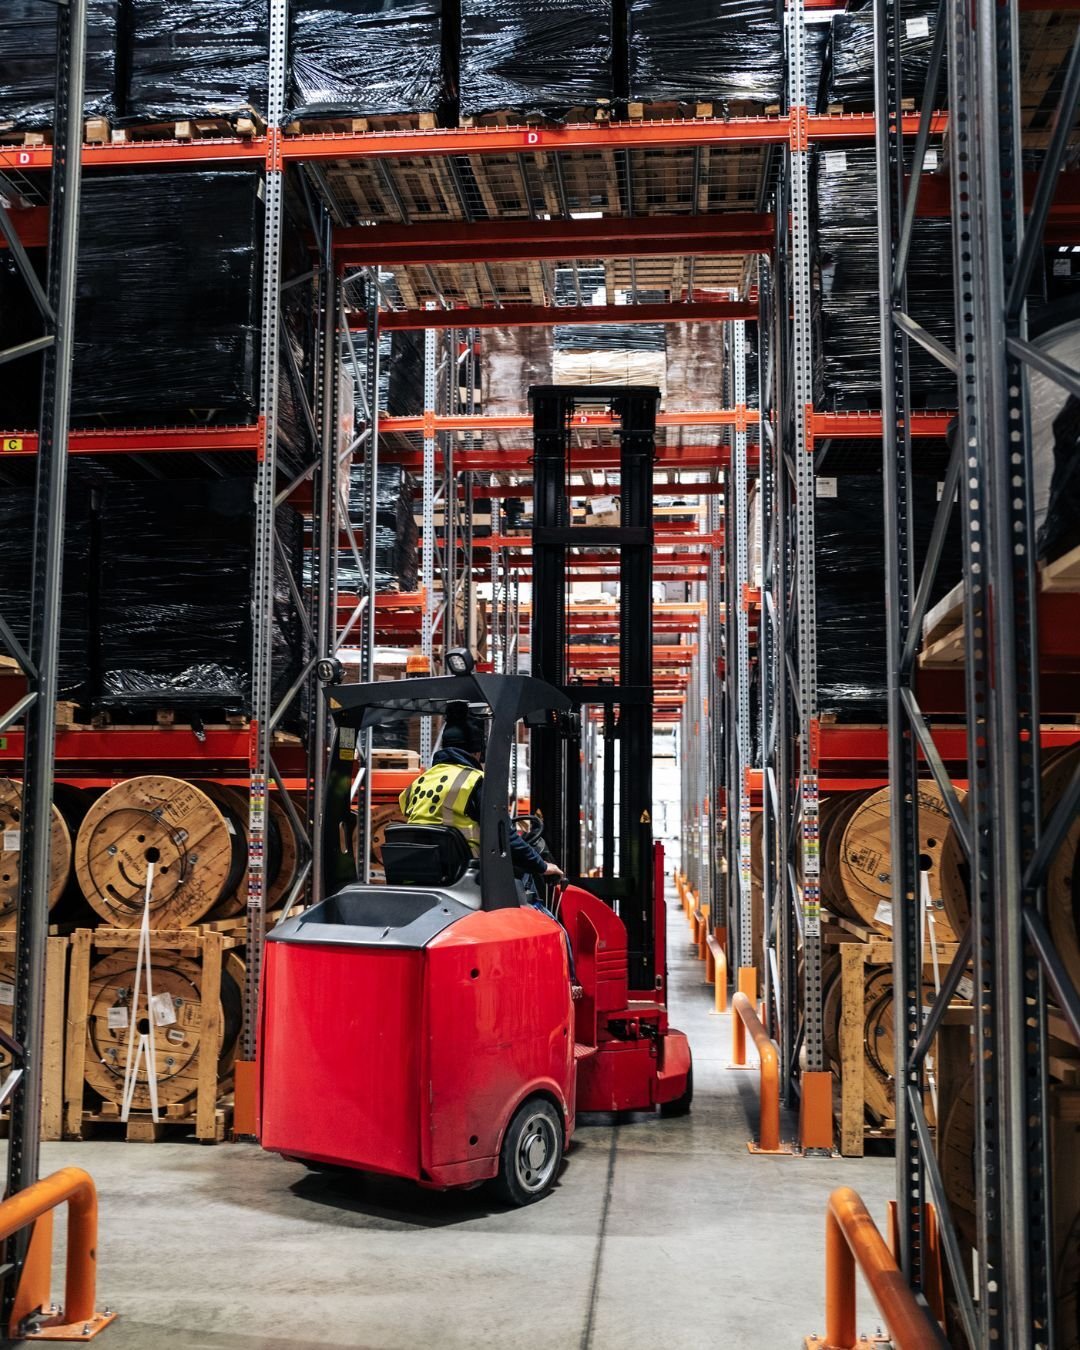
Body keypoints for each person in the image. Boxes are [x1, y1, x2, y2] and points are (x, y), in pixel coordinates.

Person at [398, 703, 564, 884]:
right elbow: (504, 837)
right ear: (477, 752)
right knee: (525, 879)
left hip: (421, 871)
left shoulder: (420, 781)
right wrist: (542, 866)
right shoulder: (476, 781)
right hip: (466, 874)